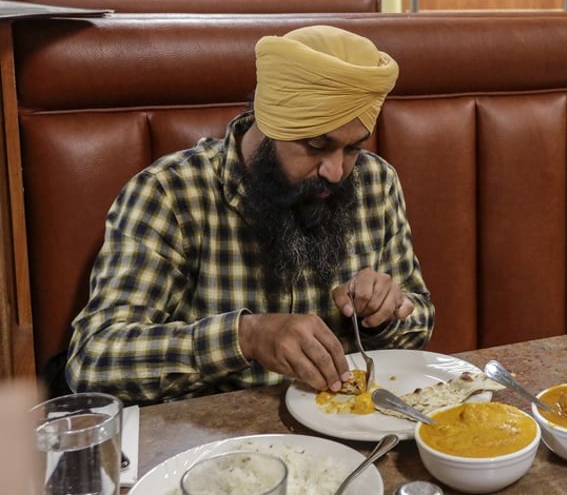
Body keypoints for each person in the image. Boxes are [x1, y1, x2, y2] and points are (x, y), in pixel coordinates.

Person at [67, 25, 435, 404]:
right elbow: (93, 361)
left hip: (349, 424)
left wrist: (383, 312)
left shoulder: (375, 181)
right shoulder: (170, 193)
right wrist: (245, 337)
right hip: (214, 442)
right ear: (270, 121)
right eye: (315, 145)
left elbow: (418, 319)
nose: (336, 171)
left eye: (352, 149)